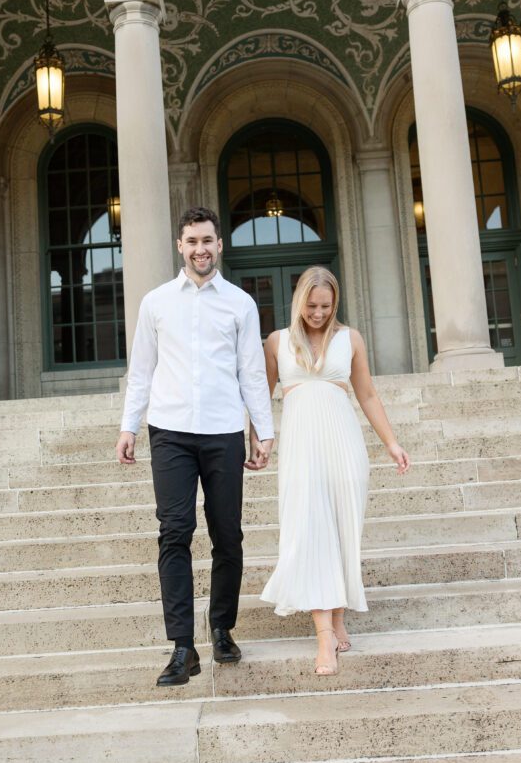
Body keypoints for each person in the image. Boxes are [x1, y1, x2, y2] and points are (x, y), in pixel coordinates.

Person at [116, 206, 275, 686]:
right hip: (170, 431)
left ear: (219, 245)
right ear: (179, 246)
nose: (200, 249)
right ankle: (182, 646)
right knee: (175, 532)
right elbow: (142, 369)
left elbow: (251, 371)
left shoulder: (240, 304)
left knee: (228, 535)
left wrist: (262, 430)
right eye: (192, 241)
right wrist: (129, 427)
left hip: (224, 430)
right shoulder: (156, 302)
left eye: (207, 240)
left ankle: (221, 627)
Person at [258, 266, 410, 675]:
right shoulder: (276, 343)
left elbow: (368, 394)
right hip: (300, 449)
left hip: (344, 445)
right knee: (310, 530)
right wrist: (255, 440)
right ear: (298, 301)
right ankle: (324, 636)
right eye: (311, 305)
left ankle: (338, 615)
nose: (318, 312)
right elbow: (258, 398)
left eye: (326, 305)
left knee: (342, 529)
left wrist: (391, 443)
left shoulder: (350, 339)